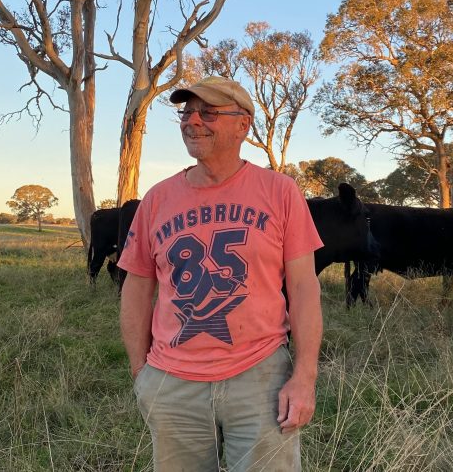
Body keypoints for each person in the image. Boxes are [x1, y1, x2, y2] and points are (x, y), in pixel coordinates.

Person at [118, 76, 324, 471]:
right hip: (172, 381)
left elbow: (303, 288)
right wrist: (141, 373)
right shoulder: (157, 199)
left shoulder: (280, 192)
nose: (192, 121)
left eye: (208, 112)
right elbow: (137, 286)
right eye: (187, 112)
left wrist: (304, 377)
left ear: (243, 125)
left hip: (260, 376)